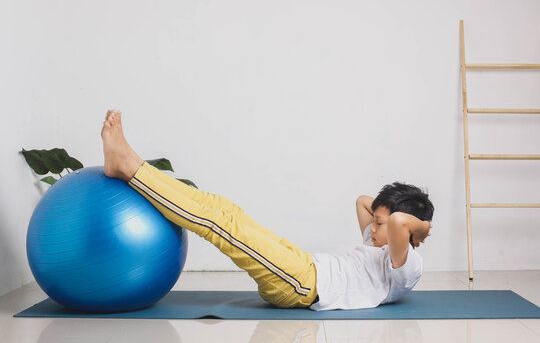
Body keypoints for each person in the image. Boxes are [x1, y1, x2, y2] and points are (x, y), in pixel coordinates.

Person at [101, 109, 434, 310]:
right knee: (223, 207)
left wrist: (416, 227)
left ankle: (129, 167)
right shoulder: (377, 244)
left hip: (303, 286)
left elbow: (399, 223)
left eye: (379, 225)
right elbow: (364, 201)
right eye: (375, 223)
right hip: (303, 264)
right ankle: (133, 163)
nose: (372, 228)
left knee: (220, 225)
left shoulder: (405, 264)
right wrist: (390, 219)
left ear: (406, 233)